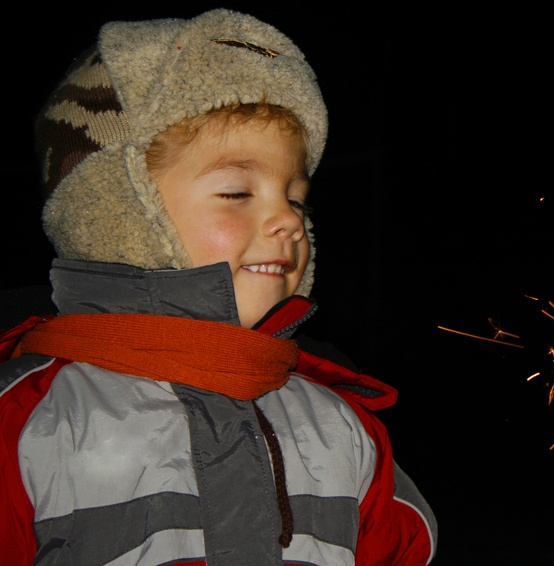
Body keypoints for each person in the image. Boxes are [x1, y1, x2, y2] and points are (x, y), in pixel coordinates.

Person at [0, 9, 436, 565]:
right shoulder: (32, 422)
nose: (290, 221)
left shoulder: (344, 430)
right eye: (236, 192)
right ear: (118, 209)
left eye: (295, 197)